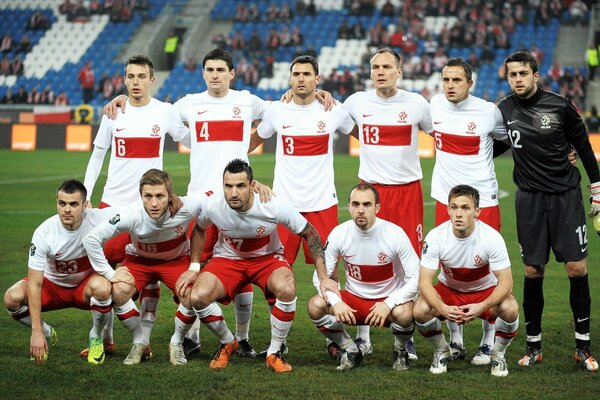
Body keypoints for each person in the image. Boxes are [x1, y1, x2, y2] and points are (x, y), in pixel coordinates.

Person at [182, 159, 337, 373]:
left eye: (240, 186)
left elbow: (310, 233)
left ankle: (274, 352)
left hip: (267, 259)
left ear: (252, 185)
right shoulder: (213, 204)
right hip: (228, 260)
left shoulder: (272, 205)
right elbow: (199, 229)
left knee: (287, 287)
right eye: (228, 186)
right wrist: (194, 266)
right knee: (198, 297)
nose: (233, 193)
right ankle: (228, 341)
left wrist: (323, 278)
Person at [498, 50, 600, 372]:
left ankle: (582, 347)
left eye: (523, 74)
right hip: (529, 200)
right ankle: (533, 345)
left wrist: (597, 190)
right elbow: (495, 144)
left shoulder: (559, 106)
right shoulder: (503, 109)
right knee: (532, 272)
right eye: (512, 74)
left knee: (576, 269)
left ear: (536, 75)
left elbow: (583, 148)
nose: (518, 79)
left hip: (565, 198)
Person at [82, 54, 189, 358]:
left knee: (149, 268)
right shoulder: (113, 113)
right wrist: (88, 192)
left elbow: (193, 141)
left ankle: (150, 339)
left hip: (150, 205)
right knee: (107, 276)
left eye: (142, 76)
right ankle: (102, 337)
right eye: (131, 76)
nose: (136, 82)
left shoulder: (165, 112)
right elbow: (98, 154)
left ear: (152, 80)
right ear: (124, 79)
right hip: (113, 203)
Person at [249, 55, 355, 355]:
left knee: (328, 273)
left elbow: (359, 131)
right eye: (295, 74)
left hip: (322, 204)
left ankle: (333, 338)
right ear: (290, 78)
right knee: (275, 274)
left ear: (317, 79)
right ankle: (277, 343)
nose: (300, 79)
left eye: (307, 74)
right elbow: (255, 140)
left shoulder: (333, 109)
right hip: (283, 206)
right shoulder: (277, 111)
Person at [343, 47, 433, 359]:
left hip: (407, 191)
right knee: (364, 257)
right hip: (371, 191)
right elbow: (337, 122)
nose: (380, 71)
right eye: (375, 67)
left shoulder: (417, 103)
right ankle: (363, 332)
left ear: (399, 71)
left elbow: (440, 136)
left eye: (386, 67)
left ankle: (404, 339)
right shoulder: (356, 101)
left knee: (409, 263)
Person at [429, 58, 508, 365]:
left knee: (488, 272)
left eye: (456, 80)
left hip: (483, 202)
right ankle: (456, 339)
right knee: (448, 267)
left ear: (470, 83)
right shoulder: (434, 105)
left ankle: (488, 342)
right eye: (446, 80)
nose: (450, 86)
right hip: (444, 200)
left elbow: (510, 139)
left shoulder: (488, 111)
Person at [83, 169, 203, 366]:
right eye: (148, 196)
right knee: (119, 291)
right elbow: (91, 239)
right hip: (139, 260)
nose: (154, 203)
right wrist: (110, 273)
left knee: (192, 296)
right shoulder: (131, 213)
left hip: (174, 260)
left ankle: (177, 342)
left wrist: (195, 265)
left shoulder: (188, 206)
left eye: (160, 196)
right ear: (140, 196)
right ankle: (140, 342)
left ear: (170, 196)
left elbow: (215, 204)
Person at [307, 183, 419, 371]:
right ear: (349, 206)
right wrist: (336, 301)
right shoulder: (339, 233)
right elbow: (321, 276)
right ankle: (349, 349)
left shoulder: (394, 234)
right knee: (315, 305)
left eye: (367, 205)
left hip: (387, 304)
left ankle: (400, 351)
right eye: (356, 204)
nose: (361, 210)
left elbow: (416, 277)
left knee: (406, 312)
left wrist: (389, 303)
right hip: (354, 303)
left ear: (377, 208)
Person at [3, 180, 117, 365]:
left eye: (73, 204)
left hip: (84, 286)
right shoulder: (44, 233)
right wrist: (37, 332)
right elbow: (34, 283)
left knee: (103, 288)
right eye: (62, 203)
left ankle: (95, 338)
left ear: (85, 205)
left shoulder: (98, 218)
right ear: (56, 202)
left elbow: (134, 212)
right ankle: (48, 332)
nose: (67, 209)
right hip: (52, 288)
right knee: (11, 298)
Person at [414, 185, 519, 377]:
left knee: (510, 308)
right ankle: (441, 350)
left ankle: (498, 354)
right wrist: (442, 308)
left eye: (465, 208)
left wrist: (482, 306)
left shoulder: (491, 238)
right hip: (450, 291)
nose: (458, 214)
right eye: (454, 207)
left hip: (484, 291)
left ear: (477, 211)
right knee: (420, 309)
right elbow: (424, 282)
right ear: (448, 210)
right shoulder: (436, 236)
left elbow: (506, 283)